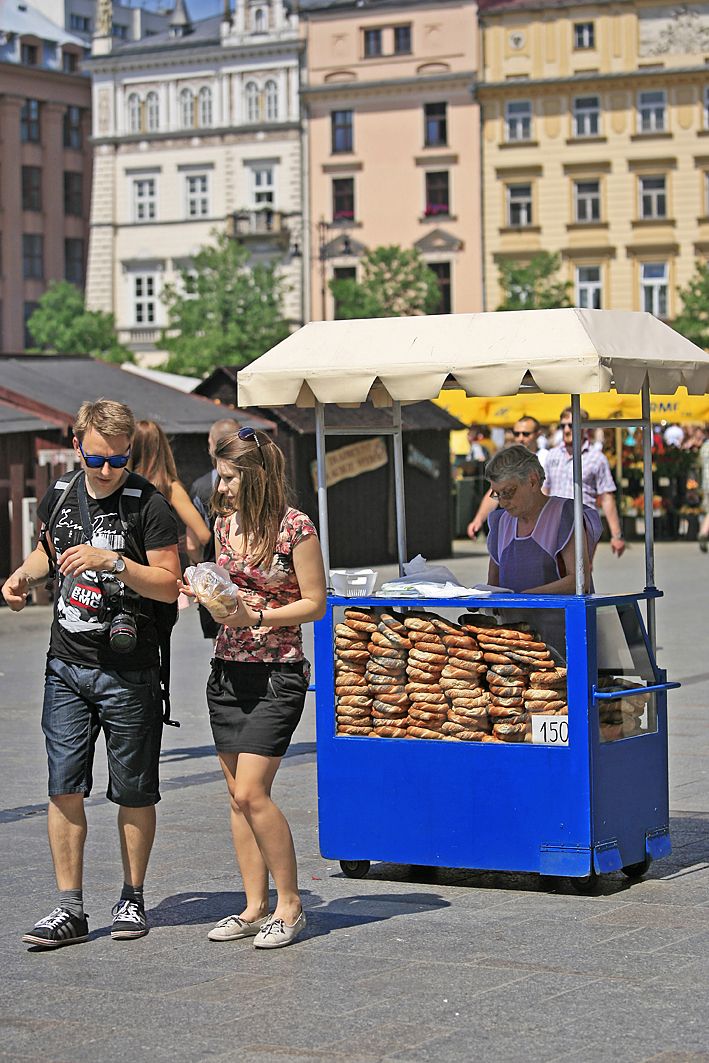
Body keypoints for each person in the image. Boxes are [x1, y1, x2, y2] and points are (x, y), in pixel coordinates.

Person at [2, 399, 180, 948]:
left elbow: (170, 584)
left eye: (120, 459)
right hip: (67, 663)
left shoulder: (148, 505)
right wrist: (22, 578)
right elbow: (46, 555)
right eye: (99, 458)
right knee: (64, 787)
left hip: (128, 671)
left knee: (133, 792)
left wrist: (114, 562)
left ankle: (132, 897)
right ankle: (69, 909)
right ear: (77, 443)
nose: (108, 469)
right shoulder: (59, 495)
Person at [182, 427, 326, 949]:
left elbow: (315, 602)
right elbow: (231, 593)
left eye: (227, 478)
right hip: (228, 669)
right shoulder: (224, 525)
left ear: (254, 477)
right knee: (236, 799)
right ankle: (253, 906)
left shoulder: (295, 528)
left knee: (252, 791)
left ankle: (290, 906)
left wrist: (259, 613)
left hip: (278, 670)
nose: (219, 489)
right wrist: (206, 592)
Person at [484, 445, 602, 652]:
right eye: (497, 494)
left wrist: (528, 597)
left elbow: (579, 581)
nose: (503, 503)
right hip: (513, 641)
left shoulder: (565, 514)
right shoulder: (500, 522)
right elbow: (492, 584)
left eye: (508, 493)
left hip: (566, 638)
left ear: (532, 480)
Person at [543, 408, 626, 558]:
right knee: (554, 573)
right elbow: (545, 490)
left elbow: (607, 497)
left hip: (583, 524)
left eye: (571, 425)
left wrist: (616, 535)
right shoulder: (552, 455)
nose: (567, 430)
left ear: (584, 427)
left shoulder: (597, 458)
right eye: (563, 426)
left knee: (582, 572)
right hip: (554, 524)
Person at [185, 417, 241, 640]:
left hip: (215, 586)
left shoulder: (201, 487)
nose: (223, 488)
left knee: (222, 649)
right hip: (256, 596)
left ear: (211, 444)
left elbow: (192, 544)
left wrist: (199, 569)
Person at [130, 419, 211, 562]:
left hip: (129, 566)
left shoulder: (123, 484)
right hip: (164, 565)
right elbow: (204, 534)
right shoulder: (169, 487)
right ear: (161, 447)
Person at [467, 416, 547, 538]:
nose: (520, 438)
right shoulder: (508, 460)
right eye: (516, 433)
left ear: (537, 434)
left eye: (526, 434)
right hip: (515, 524)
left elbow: (547, 492)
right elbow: (493, 492)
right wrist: (478, 519)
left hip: (541, 524)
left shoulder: (547, 457)